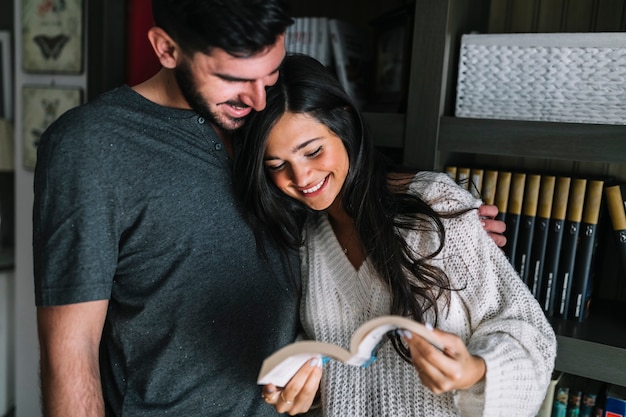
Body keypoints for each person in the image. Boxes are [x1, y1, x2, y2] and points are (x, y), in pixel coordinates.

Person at [33, 2, 506, 416]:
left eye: (271, 73)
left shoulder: (259, 116)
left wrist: (434, 214)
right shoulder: (90, 148)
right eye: (234, 79)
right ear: (166, 49)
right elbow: (68, 355)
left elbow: (331, 174)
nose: (258, 99)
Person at [233, 54, 557, 417]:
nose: (302, 177)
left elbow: (529, 332)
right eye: (277, 165)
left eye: (313, 151)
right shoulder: (305, 236)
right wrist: (301, 383)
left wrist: (475, 371)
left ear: (344, 123)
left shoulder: (433, 203)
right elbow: (340, 362)